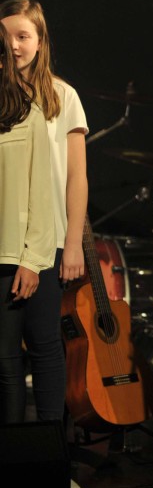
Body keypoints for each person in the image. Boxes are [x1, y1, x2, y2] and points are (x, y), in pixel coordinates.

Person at [0, 0, 89, 423]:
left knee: (45, 346)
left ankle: (52, 446)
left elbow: (75, 177)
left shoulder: (61, 95)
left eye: (23, 36)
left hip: (48, 239)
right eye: (6, 37)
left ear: (40, 40)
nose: (15, 46)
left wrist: (72, 243)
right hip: (7, 237)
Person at [0, 25, 57, 423]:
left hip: (13, 255)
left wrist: (33, 259)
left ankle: (33, 459)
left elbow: (42, 191)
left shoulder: (25, 111)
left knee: (13, 365)